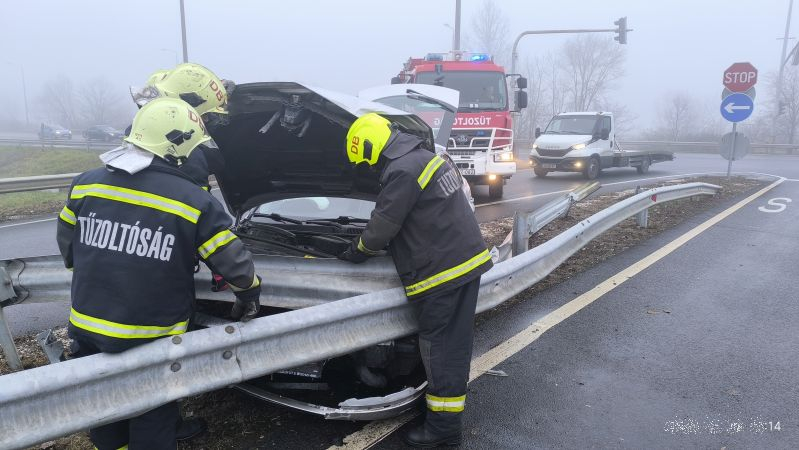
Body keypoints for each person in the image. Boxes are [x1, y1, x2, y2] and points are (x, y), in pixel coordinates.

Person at [56, 97, 261, 450]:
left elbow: (67, 245)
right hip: (149, 333)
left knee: (102, 403)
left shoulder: (86, 183)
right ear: (180, 149)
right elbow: (233, 262)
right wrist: (249, 293)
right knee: (153, 411)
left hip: (88, 323)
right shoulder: (192, 201)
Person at [337, 113, 492, 447]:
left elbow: (383, 225)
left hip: (443, 272)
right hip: (462, 262)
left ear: (371, 147)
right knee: (453, 346)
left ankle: (443, 432)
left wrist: (358, 249)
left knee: (441, 350)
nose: (371, 169)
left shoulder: (403, 170)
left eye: (368, 162)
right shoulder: (422, 157)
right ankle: (444, 421)